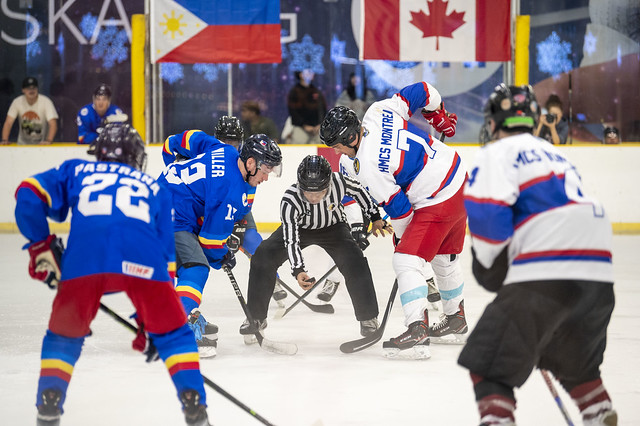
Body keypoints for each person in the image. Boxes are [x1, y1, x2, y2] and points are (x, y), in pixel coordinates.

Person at [14, 122, 210, 426]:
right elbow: (167, 260)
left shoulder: (77, 170)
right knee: (174, 335)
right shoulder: (155, 188)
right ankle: (194, 404)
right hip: (143, 261)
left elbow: (27, 193)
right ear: (135, 156)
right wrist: (155, 319)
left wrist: (40, 244)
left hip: (85, 261)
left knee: (64, 335)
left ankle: (49, 403)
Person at [459, 84, 617, 426]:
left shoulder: (496, 153)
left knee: (488, 365)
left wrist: (491, 269)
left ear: (493, 122)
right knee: (573, 360)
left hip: (548, 267)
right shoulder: (556, 154)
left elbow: (488, 218)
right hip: (598, 271)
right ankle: (597, 411)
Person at [320, 81, 466, 359]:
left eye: (337, 146)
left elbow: (401, 212)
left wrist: (402, 239)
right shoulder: (378, 112)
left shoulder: (369, 167)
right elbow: (422, 90)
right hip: (457, 177)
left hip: (435, 197)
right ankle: (455, 320)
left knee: (406, 260)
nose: (336, 152)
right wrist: (440, 117)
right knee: (444, 258)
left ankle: (417, 331)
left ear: (351, 138)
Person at [159, 130, 282, 357]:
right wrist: (223, 256)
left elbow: (180, 140)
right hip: (171, 215)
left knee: (180, 263)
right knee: (195, 267)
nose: (266, 177)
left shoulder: (224, 150)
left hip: (161, 198)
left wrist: (170, 166)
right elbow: (210, 242)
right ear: (251, 162)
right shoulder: (230, 192)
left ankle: (180, 312)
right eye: (265, 171)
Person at [241, 154, 391, 341]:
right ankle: (255, 317)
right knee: (262, 256)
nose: (313, 197)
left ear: (328, 185)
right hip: (299, 229)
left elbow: (360, 191)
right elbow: (291, 238)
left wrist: (375, 217)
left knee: (355, 261)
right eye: (308, 192)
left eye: (318, 192)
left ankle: (368, 318)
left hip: (334, 228)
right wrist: (298, 270)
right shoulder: (290, 198)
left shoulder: (339, 182)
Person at [212, 116, 288, 302]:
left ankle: (272, 279)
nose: (230, 146)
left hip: (238, 209)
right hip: (212, 213)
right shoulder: (211, 159)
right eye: (225, 141)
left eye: (234, 142)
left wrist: (237, 227)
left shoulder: (248, 163)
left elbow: (245, 204)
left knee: (256, 244)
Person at [1, 76, 58, 145]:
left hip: (42, 146)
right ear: (23, 90)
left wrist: (49, 141)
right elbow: (8, 123)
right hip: (22, 145)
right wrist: (5, 140)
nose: (31, 90)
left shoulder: (46, 102)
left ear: (37, 89)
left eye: (34, 88)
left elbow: (53, 124)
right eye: (28, 88)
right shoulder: (17, 102)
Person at [286, 69, 328, 144]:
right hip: (300, 128)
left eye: (312, 72)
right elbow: (293, 112)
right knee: (299, 148)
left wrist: (320, 124)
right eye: (308, 72)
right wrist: (304, 126)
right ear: (301, 75)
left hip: (317, 129)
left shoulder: (316, 91)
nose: (311, 74)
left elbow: (322, 109)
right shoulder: (294, 92)